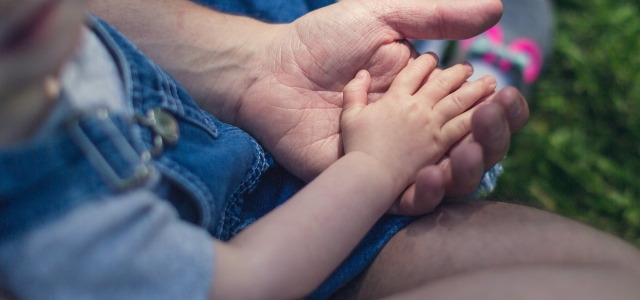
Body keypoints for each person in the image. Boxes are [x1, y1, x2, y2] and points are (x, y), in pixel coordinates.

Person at [87, 1, 640, 300]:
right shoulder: (50, 216)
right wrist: (376, 162)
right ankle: (465, 79)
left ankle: (440, 80)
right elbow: (232, 282)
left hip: (206, 90)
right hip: (283, 237)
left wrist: (254, 61)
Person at [0, 0, 504, 299]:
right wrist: (377, 163)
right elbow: (245, 280)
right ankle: (489, 75)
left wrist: (256, 59)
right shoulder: (55, 238)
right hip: (249, 230)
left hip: (185, 100)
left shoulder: (27, 35)